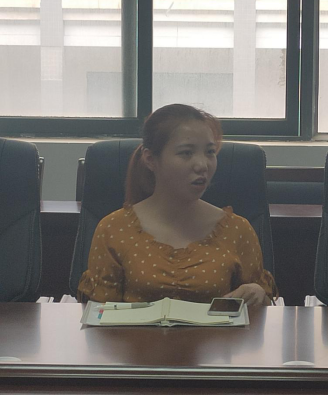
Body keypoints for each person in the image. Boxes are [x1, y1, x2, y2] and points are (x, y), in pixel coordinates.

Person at [78, 104, 277, 306]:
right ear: (150, 159)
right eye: (186, 153)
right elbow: (99, 314)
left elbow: (262, 311)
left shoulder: (237, 230)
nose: (202, 165)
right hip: (135, 329)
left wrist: (258, 294)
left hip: (216, 329)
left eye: (210, 152)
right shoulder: (113, 229)